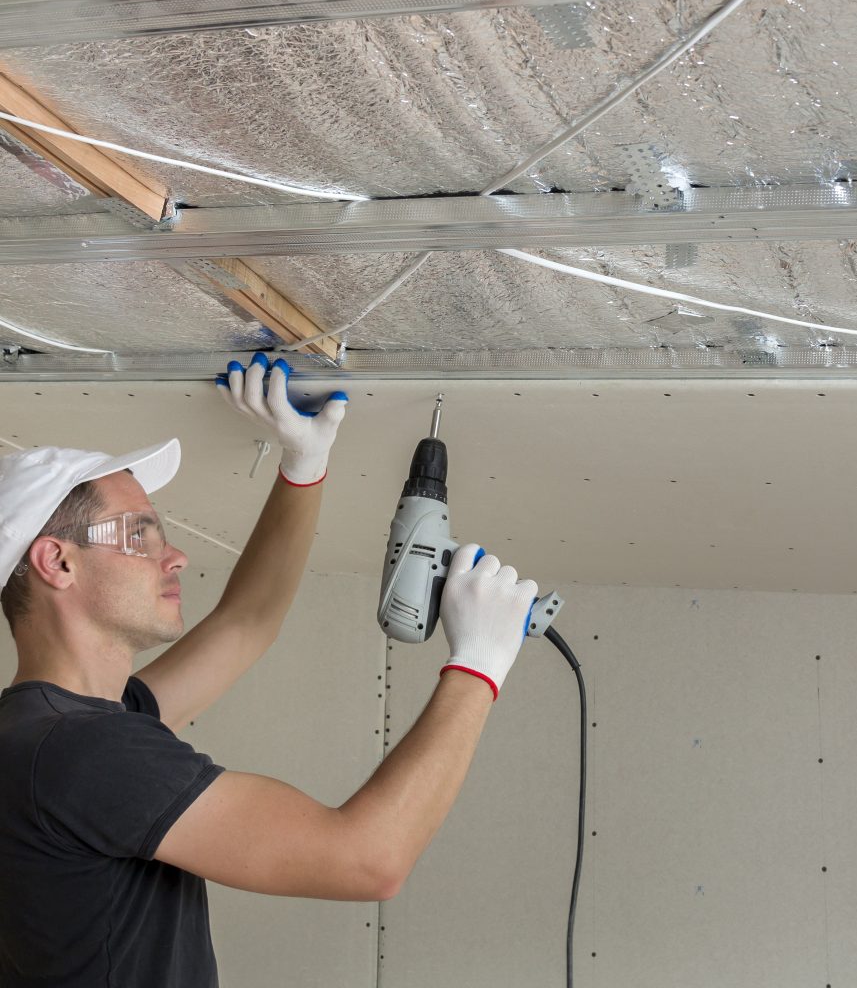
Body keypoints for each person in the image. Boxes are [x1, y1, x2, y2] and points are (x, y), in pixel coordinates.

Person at [0, 354, 537, 988]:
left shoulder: (42, 735)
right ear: (56, 563)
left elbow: (246, 622)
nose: (175, 555)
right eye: (139, 536)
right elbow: (368, 861)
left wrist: (302, 467)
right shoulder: (84, 752)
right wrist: (477, 666)